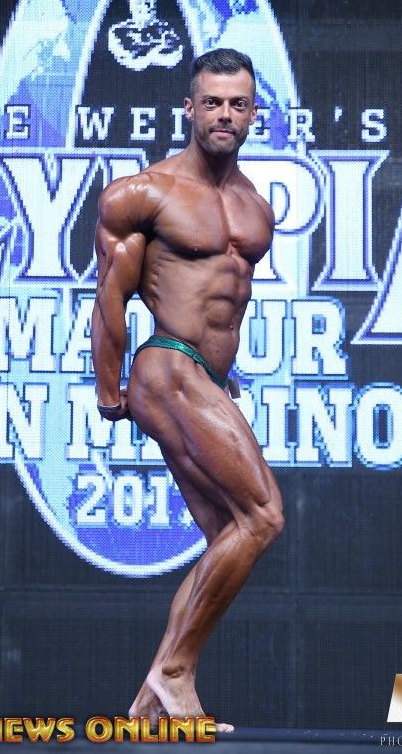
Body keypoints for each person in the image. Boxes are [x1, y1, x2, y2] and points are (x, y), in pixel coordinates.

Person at [92, 48, 284, 728]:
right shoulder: (145, 193)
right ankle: (174, 671)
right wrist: (108, 389)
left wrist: (225, 377)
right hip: (166, 367)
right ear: (189, 109)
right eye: (212, 102)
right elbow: (111, 297)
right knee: (263, 516)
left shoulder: (255, 206)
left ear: (253, 113)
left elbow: (224, 303)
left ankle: (152, 701)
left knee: (230, 533)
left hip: (205, 378)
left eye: (238, 104)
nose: (224, 114)